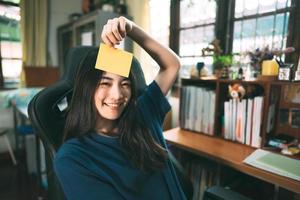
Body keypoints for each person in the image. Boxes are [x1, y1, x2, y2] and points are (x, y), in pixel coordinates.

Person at [54, 16, 186, 200]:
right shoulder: (72, 158)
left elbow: (172, 65)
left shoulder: (143, 112)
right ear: (87, 89)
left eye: (125, 84)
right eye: (105, 83)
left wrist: (130, 28)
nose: (117, 95)